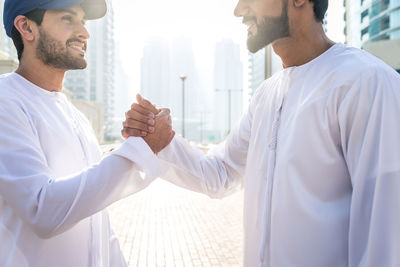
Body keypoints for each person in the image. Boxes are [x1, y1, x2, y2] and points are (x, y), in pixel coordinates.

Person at [122, 0, 400, 266]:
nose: (238, 10)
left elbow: (385, 234)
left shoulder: (366, 83)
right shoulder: (266, 95)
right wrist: (162, 141)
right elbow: (219, 174)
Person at [0, 0, 174, 266]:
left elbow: (98, 227)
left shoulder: (76, 117)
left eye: (83, 21)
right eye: (68, 19)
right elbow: (42, 210)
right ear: (26, 27)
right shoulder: (6, 101)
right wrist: (140, 149)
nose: (84, 32)